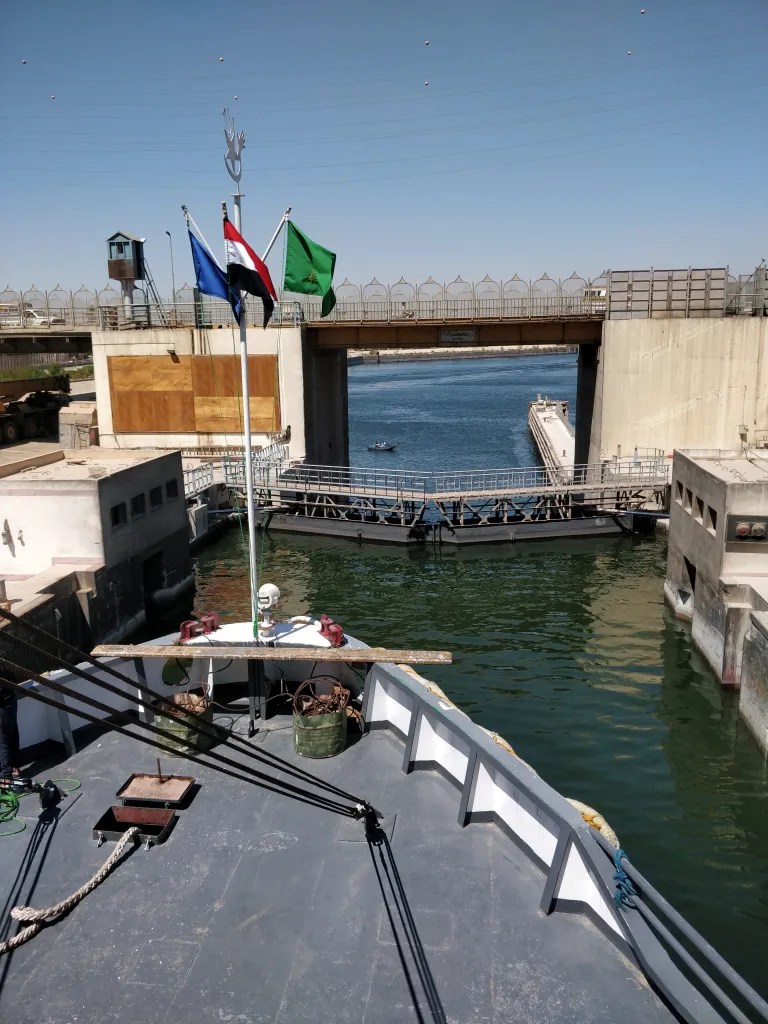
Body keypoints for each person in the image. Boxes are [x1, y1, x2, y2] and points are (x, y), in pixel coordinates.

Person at [0, 684, 20, 778]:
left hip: (4, 701)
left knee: (4, 738)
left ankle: (6, 775)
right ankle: (13, 767)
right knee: (12, 734)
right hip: (10, 697)